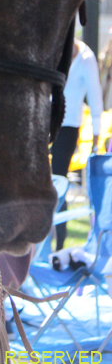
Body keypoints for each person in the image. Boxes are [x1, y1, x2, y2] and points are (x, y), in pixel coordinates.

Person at [50, 37, 104, 250]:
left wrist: (97, 138)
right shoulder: (54, 48)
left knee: (59, 182)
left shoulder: (86, 58)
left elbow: (95, 99)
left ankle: (59, 244)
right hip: (45, 122)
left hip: (68, 127)